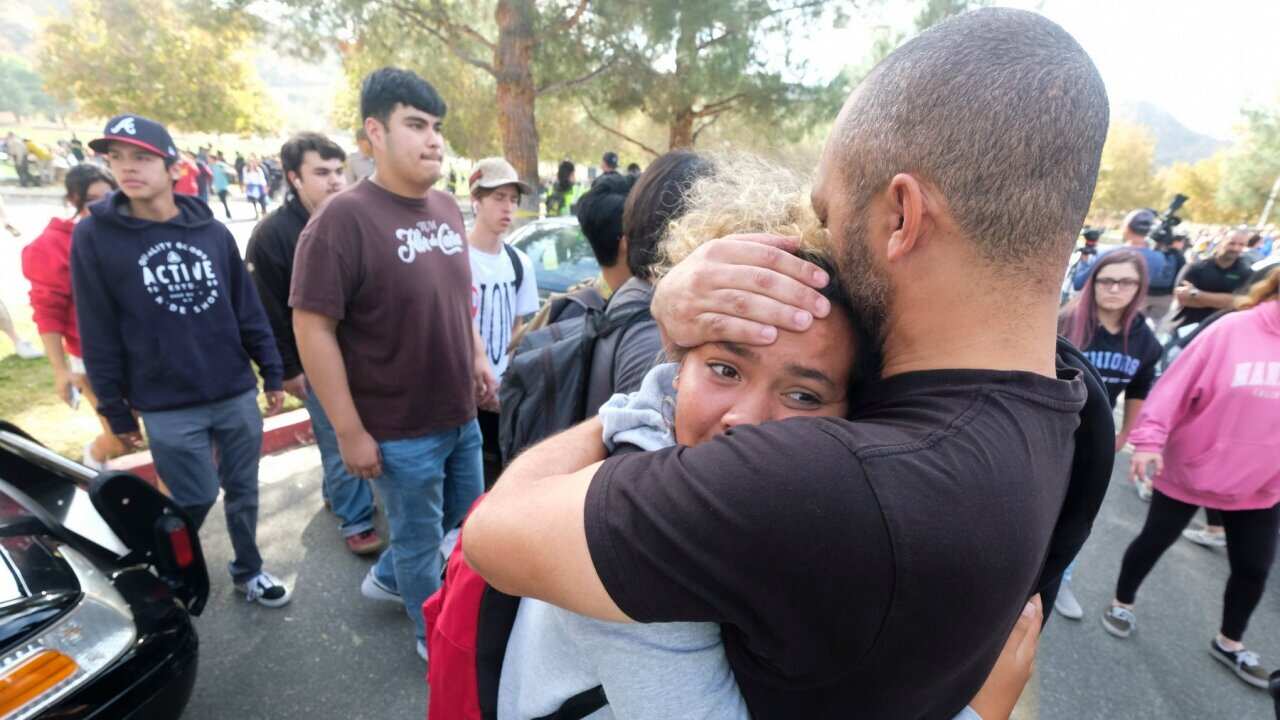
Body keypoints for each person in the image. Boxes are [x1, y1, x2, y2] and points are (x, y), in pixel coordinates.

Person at [463, 9, 1115, 718]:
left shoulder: (797, 487)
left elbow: (495, 530)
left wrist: (664, 343)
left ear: (901, 216)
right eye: (724, 368)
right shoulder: (1073, 406)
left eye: (829, 209)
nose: (751, 420)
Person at [291, 67, 494, 661]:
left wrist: (478, 355)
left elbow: (460, 298)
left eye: (437, 127)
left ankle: (392, 579)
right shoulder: (341, 220)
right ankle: (429, 634)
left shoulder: (448, 207)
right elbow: (313, 328)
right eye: (415, 125)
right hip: (400, 432)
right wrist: (350, 432)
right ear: (373, 134)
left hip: (460, 413)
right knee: (417, 540)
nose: (433, 140)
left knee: (465, 530)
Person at [70, 113, 290, 607]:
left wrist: (270, 370)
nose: (127, 168)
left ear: (172, 167)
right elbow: (97, 327)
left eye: (141, 157)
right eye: (116, 158)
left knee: (244, 492)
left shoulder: (209, 230)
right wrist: (116, 409)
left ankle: (249, 569)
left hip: (233, 389)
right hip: (166, 401)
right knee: (194, 496)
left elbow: (245, 307)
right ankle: (164, 567)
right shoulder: (96, 236)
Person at [1103, 267, 1280, 691]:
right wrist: (1147, 441)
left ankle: (1229, 640)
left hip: (1261, 484)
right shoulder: (1233, 329)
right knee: (1153, 541)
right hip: (1192, 468)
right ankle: (1122, 601)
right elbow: (1174, 388)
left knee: (1254, 568)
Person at [245, 132, 383, 555]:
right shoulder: (272, 236)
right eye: (321, 172)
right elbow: (265, 312)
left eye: (339, 171)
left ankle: (337, 490)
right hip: (313, 361)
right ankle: (356, 518)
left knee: (343, 434)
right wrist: (287, 370)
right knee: (336, 431)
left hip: (363, 358)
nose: (335, 181)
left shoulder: (353, 220)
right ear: (294, 178)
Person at [1052, 250, 1162, 618]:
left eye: (1126, 282)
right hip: (1052, 433)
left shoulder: (1143, 339)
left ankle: (1059, 579)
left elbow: (1139, 390)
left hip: (1093, 443)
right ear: (1093, 282)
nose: (1115, 289)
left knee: (1078, 516)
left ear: (1139, 288)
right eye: (1107, 280)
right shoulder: (1064, 322)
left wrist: (1125, 435)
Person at [21, 164, 134, 470]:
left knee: (136, 431)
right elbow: (47, 312)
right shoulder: (52, 245)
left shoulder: (126, 232)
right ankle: (93, 463)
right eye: (92, 199)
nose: (103, 205)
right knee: (120, 438)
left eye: (109, 197)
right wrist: (61, 371)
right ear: (73, 200)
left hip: (138, 353)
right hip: (92, 358)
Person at [465, 157, 538, 483]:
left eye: (512, 199)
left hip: (502, 395)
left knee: (499, 479)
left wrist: (507, 383)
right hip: (460, 395)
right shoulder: (455, 258)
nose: (507, 207)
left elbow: (517, 328)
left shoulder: (519, 262)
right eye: (498, 198)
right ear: (475, 199)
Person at [1072, 209, 1171, 321]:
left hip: (1095, 315)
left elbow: (1079, 283)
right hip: (1129, 315)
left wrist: (1084, 261)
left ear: (1127, 227)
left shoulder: (1105, 253)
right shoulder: (1159, 258)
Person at [1171, 228, 1254, 330]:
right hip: (1186, 326)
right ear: (1220, 242)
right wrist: (1224, 301)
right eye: (1231, 243)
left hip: (1220, 329)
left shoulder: (1246, 272)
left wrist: (1196, 293)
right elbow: (1182, 298)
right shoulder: (1196, 267)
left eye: (1241, 245)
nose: (1236, 248)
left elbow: (1239, 303)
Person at [211, 152, 234, 219]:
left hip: (224, 185)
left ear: (213, 159)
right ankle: (227, 210)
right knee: (222, 200)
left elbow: (231, 170)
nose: (209, 160)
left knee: (223, 199)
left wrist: (225, 171)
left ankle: (227, 211)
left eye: (210, 159)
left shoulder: (220, 165)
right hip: (217, 186)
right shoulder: (210, 166)